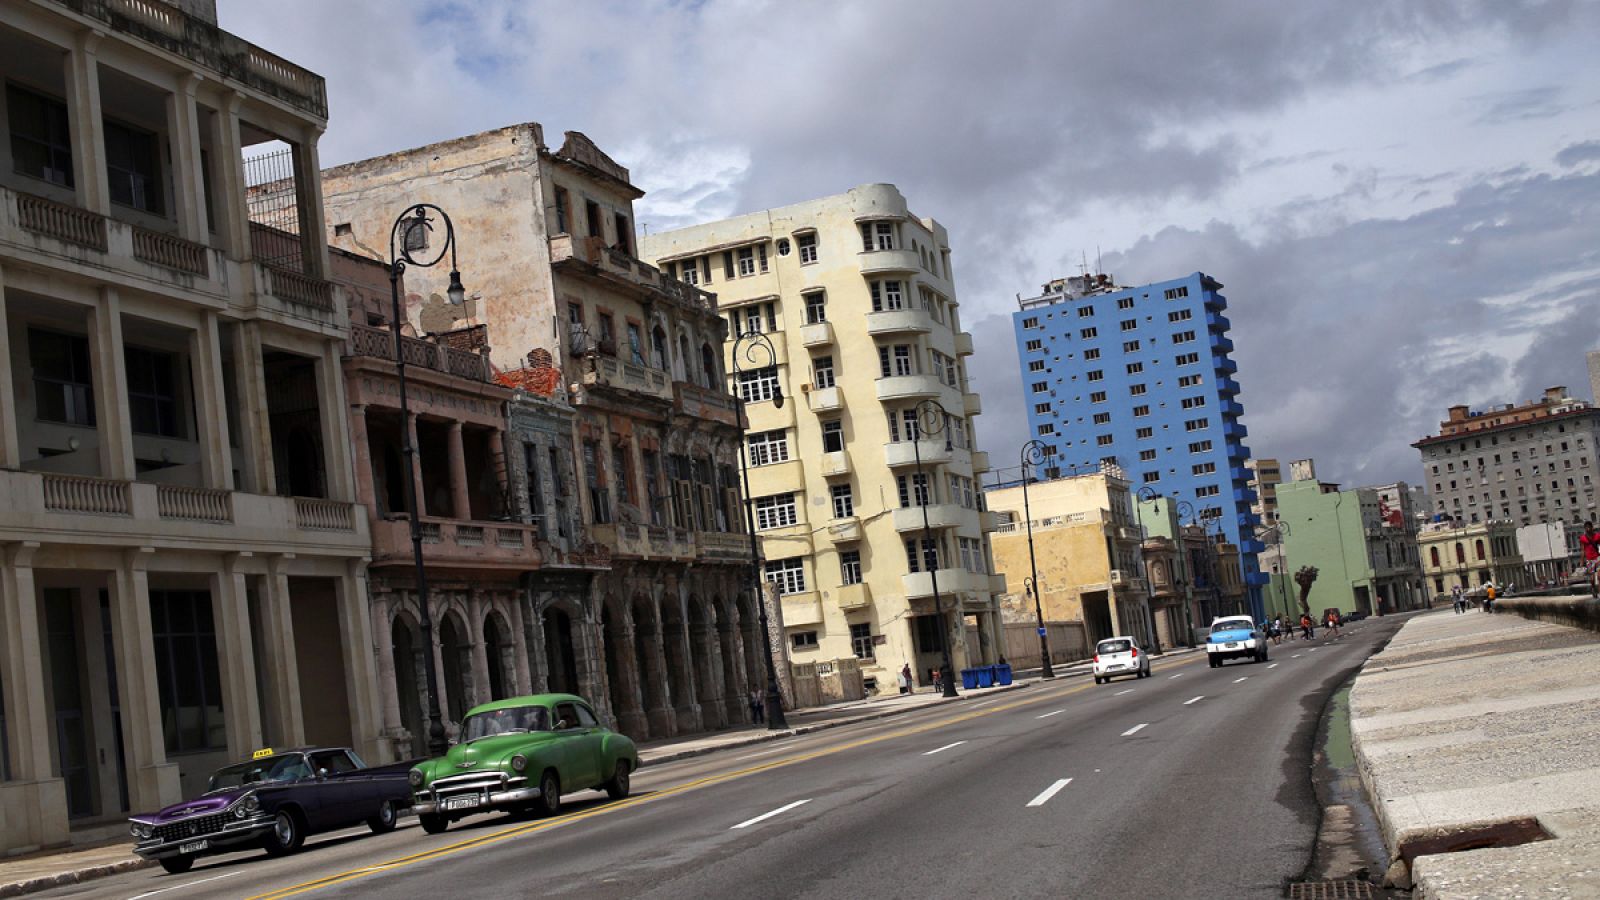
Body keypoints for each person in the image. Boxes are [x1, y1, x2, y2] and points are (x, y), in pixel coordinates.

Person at [1581, 521, 1600, 599]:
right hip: (1589, 560)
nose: (1588, 529)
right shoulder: (1583, 538)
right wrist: (1581, 561)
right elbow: (1582, 550)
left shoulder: (1598, 536)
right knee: (1592, 579)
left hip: (1598, 558)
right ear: (1585, 529)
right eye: (1586, 528)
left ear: (1592, 528)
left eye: (1589, 527)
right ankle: (1593, 589)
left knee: (1599, 576)